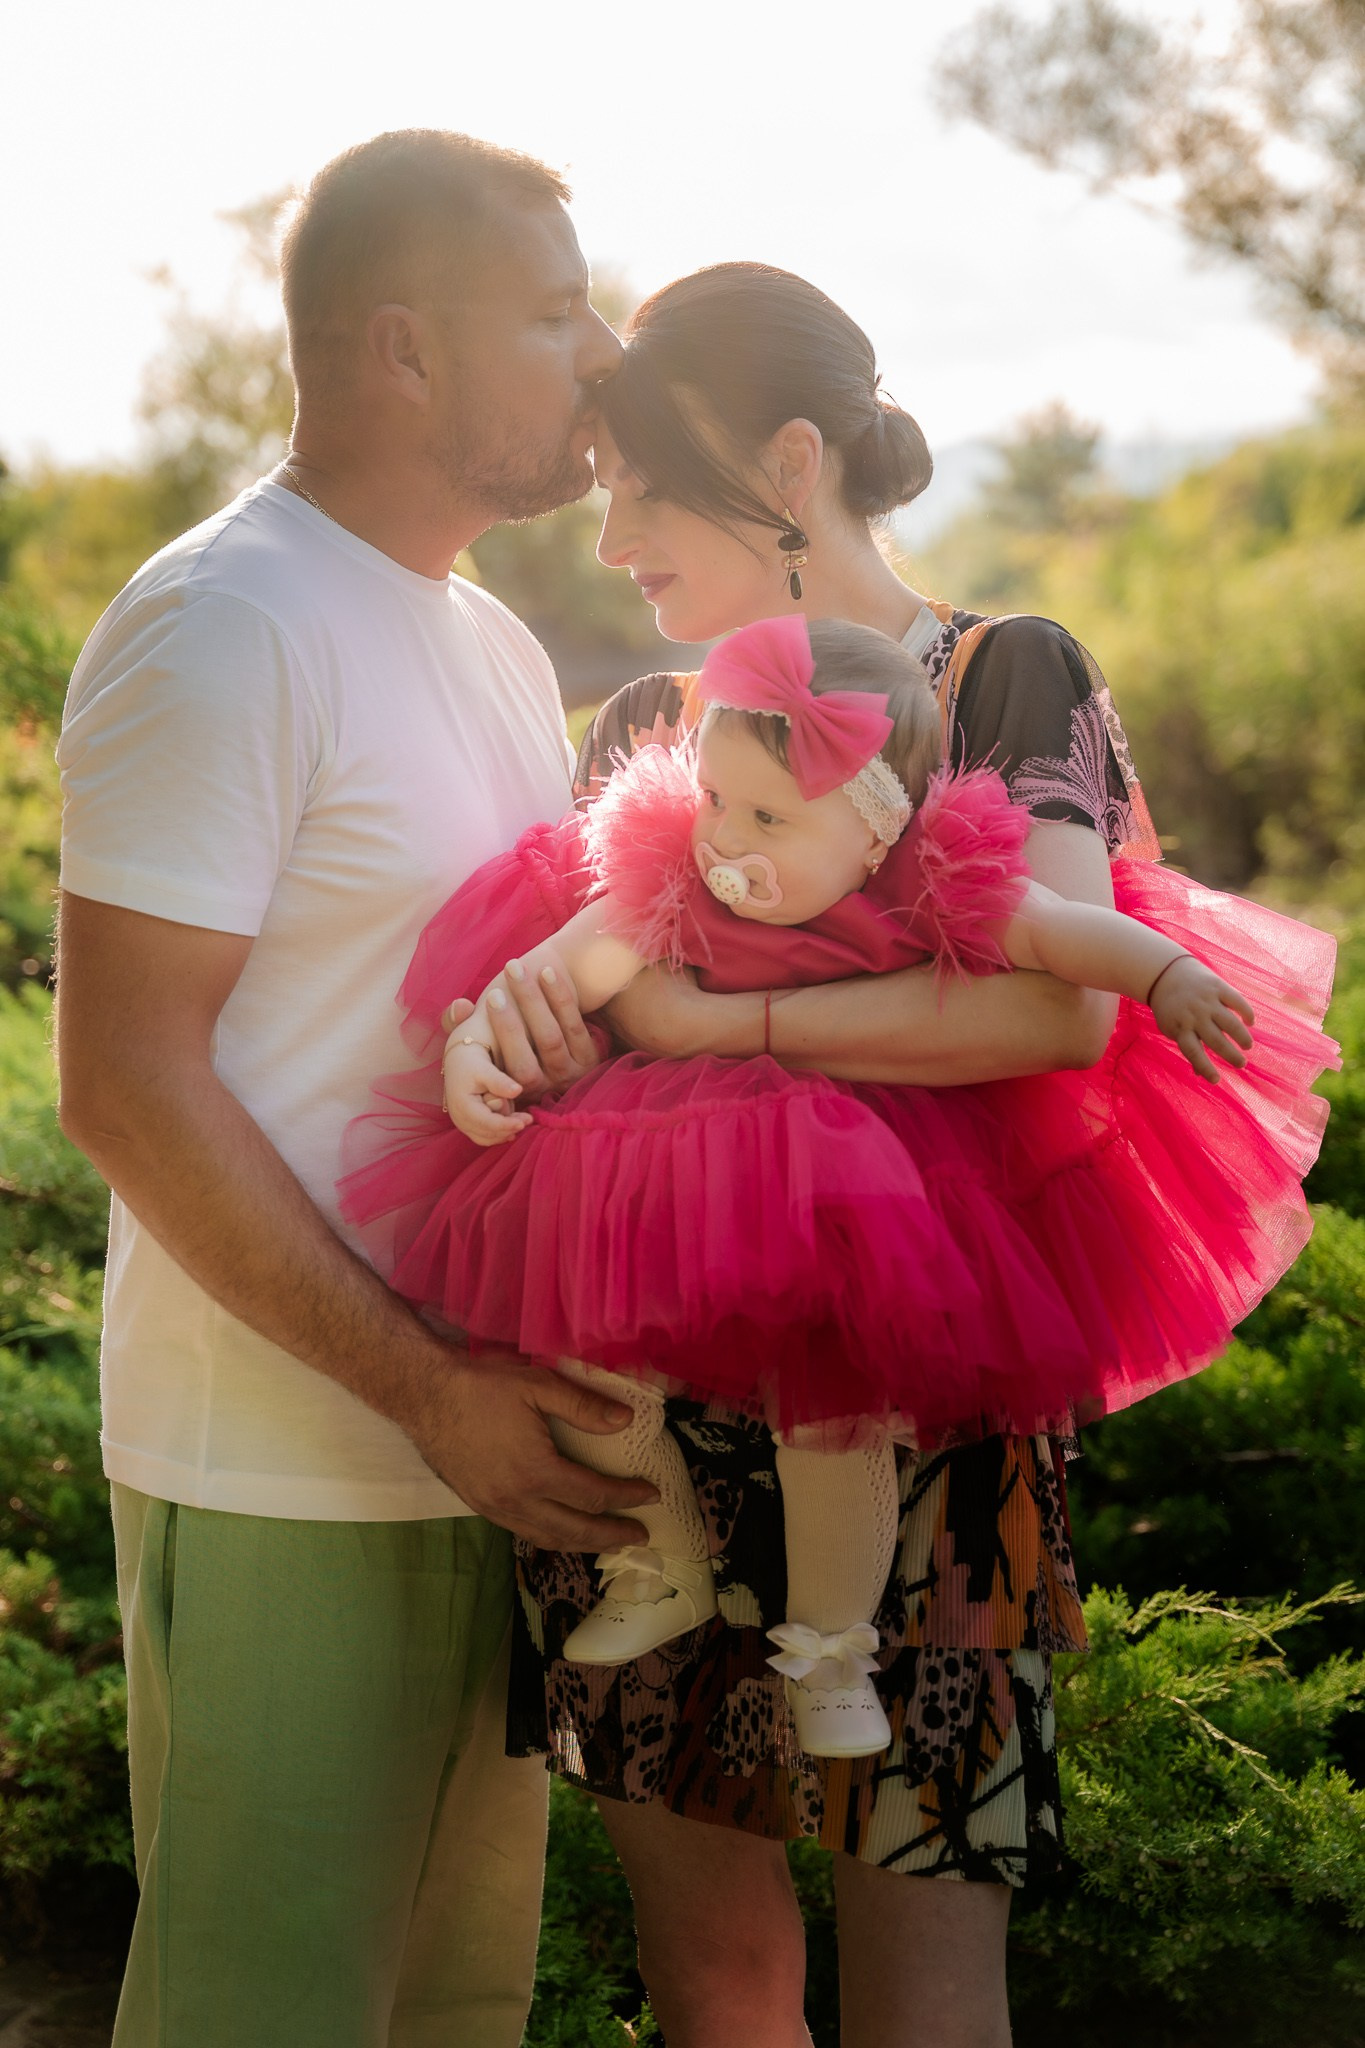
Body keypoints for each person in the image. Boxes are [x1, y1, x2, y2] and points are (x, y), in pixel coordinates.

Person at [460, 263, 1337, 2048]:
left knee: (927, 1999)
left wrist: (728, 1030)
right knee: (713, 1983)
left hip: (925, 1420)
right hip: (656, 1425)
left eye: (644, 486)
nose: (611, 537)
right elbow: (599, 1000)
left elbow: (1053, 1012)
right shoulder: (644, 728)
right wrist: (540, 1029)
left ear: (791, 464)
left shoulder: (1004, 672)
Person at [53, 129, 655, 2048]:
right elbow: (123, 1081)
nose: (605, 353)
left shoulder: (495, 643)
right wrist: (426, 1391)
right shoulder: (224, 622)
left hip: (489, 1467)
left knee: (452, 2017)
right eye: (555, 315)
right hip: (288, 1475)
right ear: (404, 348)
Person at [340, 609, 1332, 1771]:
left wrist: (1166, 975)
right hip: (669, 1174)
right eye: (717, 797)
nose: (726, 836)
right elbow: (556, 967)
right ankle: (659, 1553)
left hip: (845, 1192)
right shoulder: (678, 879)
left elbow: (1069, 936)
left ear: (875, 834)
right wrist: (476, 1051)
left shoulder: (927, 879)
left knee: (831, 1411)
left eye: (769, 818)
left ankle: (832, 1647)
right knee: (577, 1343)